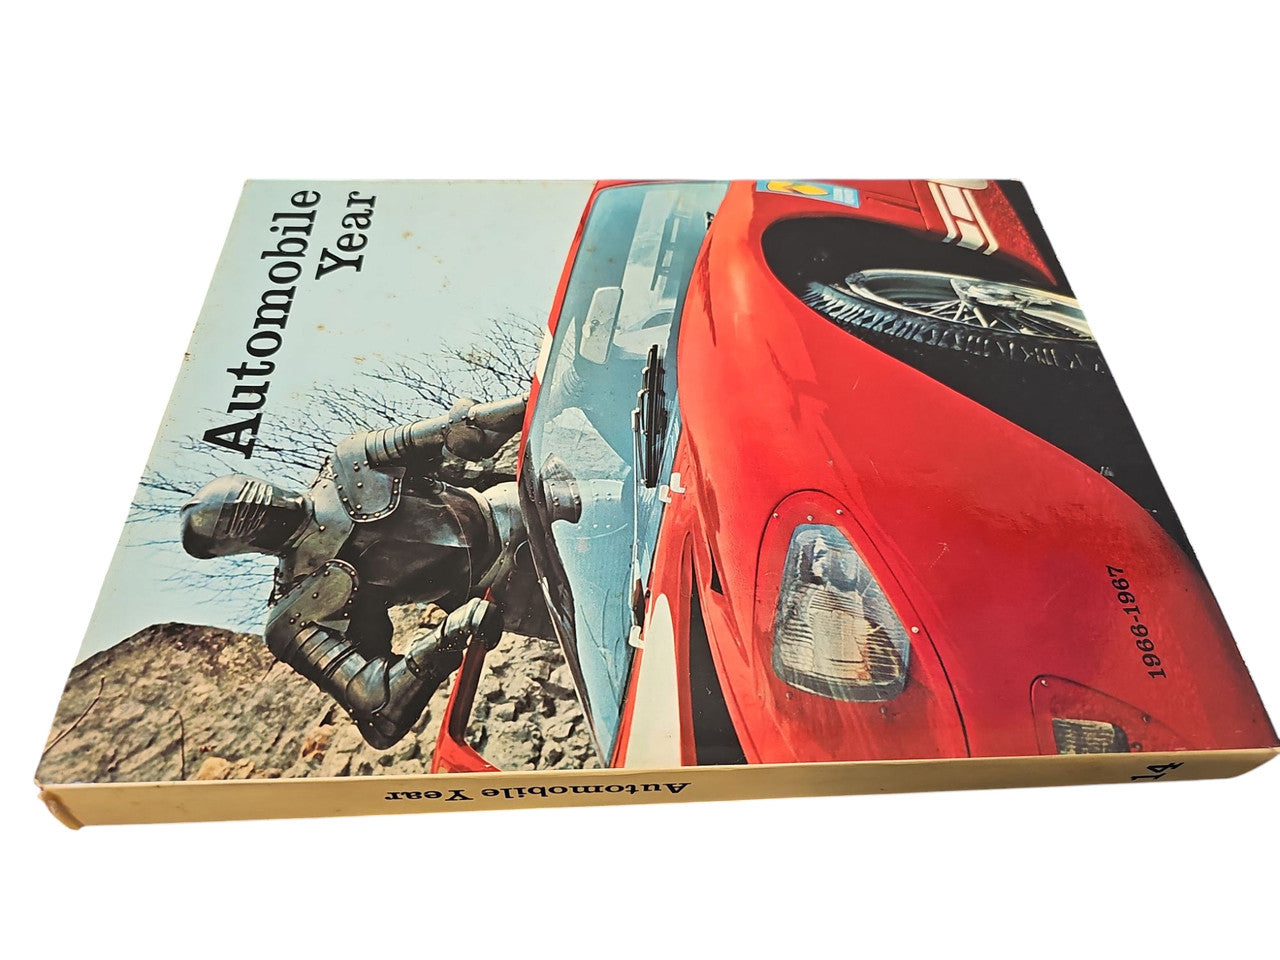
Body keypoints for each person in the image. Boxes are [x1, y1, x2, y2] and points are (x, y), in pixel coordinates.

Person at [180, 395, 530, 749]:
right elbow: (379, 710)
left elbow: (464, 429)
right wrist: (444, 638)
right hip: (510, 594)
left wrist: (524, 402)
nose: (250, 507)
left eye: (241, 500)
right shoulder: (293, 615)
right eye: (233, 521)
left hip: (516, 506)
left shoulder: (351, 461)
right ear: (231, 547)